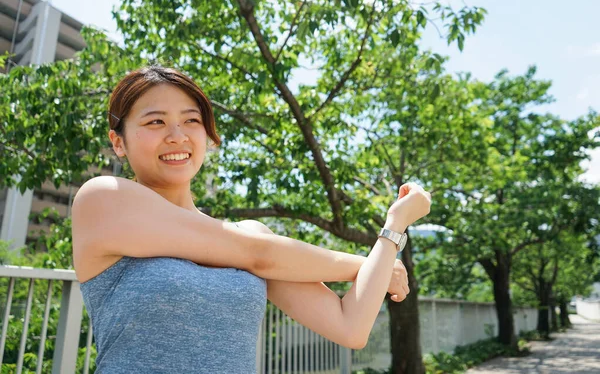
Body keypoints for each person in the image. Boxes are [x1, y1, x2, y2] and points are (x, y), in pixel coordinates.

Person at [71, 66, 431, 373]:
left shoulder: (253, 235)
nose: (176, 135)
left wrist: (393, 228)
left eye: (191, 120)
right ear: (118, 143)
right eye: (155, 121)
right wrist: (362, 264)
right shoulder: (104, 200)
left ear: (208, 136)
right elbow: (258, 255)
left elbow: (350, 326)